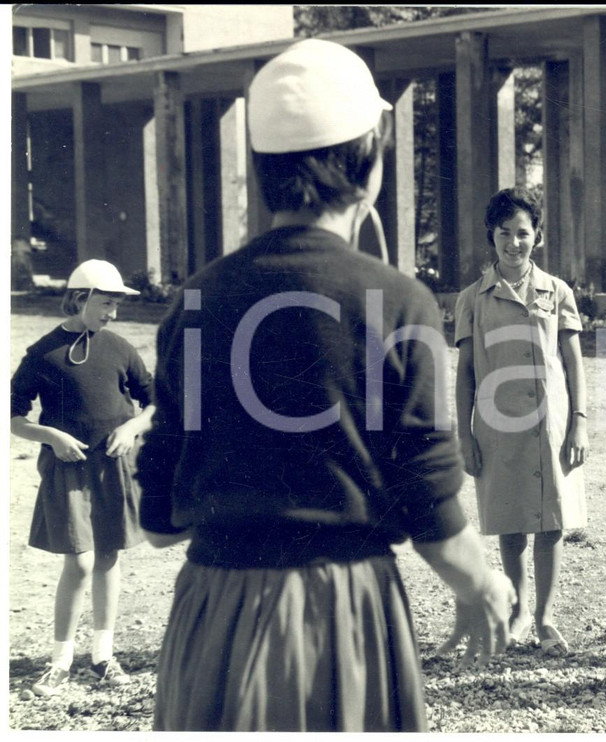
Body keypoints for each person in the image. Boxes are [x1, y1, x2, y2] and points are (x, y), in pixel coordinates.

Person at [135, 39, 513, 732]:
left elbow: (157, 522)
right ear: (370, 161)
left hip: (214, 615)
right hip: (346, 614)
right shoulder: (399, 302)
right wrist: (482, 585)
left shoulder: (197, 300)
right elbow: (428, 497)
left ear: (260, 168)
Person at [451, 187, 588, 657]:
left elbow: (574, 365)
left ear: (538, 237)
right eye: (504, 233)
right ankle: (519, 611)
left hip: (550, 424)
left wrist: (580, 423)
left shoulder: (558, 291)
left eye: (523, 233)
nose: (514, 242)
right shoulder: (473, 298)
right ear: (491, 237)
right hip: (498, 425)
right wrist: (464, 434)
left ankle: (547, 619)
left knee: (551, 523)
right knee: (511, 524)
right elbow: (465, 372)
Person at [11, 259, 155, 696]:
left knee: (108, 556)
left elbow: (156, 403)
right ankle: (60, 661)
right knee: (80, 559)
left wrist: (131, 428)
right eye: (106, 304)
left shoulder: (120, 348)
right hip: (68, 466)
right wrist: (50, 435)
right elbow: (13, 417)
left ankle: (102, 657)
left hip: (113, 466)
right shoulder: (42, 353)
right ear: (79, 299)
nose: (113, 313)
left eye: (117, 306)